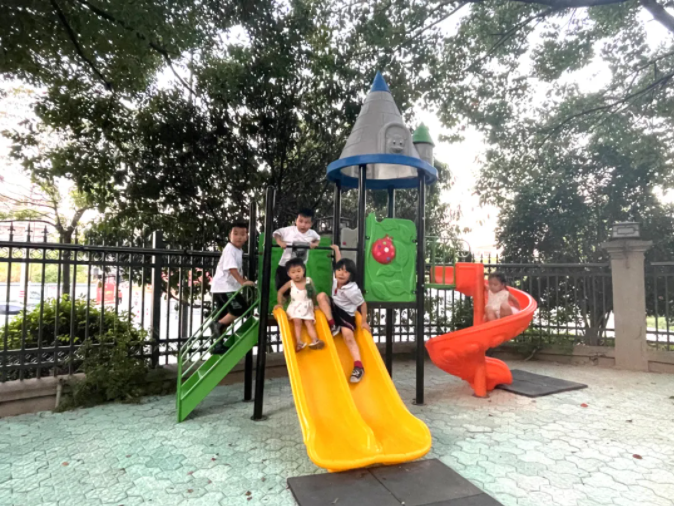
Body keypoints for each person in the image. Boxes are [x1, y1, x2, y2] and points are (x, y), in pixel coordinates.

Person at [316, 245, 371, 383]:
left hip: (346, 314)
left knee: (348, 337)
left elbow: (363, 304)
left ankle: (358, 366)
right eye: (339, 270)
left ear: (351, 275)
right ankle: (333, 325)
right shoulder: (336, 279)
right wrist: (336, 250)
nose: (341, 273)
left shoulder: (352, 290)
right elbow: (339, 261)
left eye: (346, 272)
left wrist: (364, 321)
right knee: (321, 296)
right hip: (334, 308)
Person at [210, 221, 255, 354]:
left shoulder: (237, 250)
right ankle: (216, 325)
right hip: (224, 287)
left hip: (223, 287)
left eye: (242, 234)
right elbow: (231, 268)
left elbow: (236, 269)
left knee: (225, 315)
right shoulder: (230, 249)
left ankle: (217, 345)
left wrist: (243, 279)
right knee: (240, 308)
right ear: (230, 235)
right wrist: (242, 282)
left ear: (246, 237)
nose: (239, 237)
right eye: (235, 234)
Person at [274, 258, 325, 352]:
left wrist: (315, 305)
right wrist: (280, 304)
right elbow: (280, 292)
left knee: (309, 323)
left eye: (299, 271)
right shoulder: (290, 283)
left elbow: (313, 294)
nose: (296, 274)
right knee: (297, 322)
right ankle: (299, 342)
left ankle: (315, 340)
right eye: (293, 272)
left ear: (303, 271)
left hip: (307, 306)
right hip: (295, 307)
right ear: (289, 274)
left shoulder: (308, 281)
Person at [273, 209, 321, 302]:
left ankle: (298, 307)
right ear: (296, 221)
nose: (303, 225)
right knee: (283, 291)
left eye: (307, 222)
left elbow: (317, 239)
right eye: (300, 221)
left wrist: (315, 244)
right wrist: (280, 242)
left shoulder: (312, 233)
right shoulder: (289, 230)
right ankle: (282, 307)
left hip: (300, 268)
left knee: (299, 290)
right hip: (285, 266)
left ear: (311, 224)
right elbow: (277, 233)